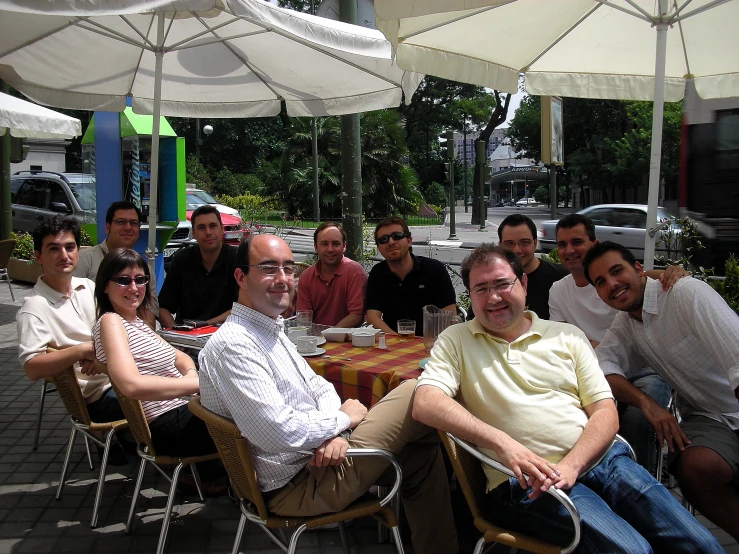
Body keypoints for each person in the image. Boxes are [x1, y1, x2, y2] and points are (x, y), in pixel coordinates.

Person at [412, 243, 722, 553]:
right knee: (632, 550)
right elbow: (425, 402)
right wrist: (502, 443)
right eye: (481, 289)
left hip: (606, 461)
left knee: (699, 544)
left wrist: (572, 466)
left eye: (502, 283)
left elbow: (605, 411)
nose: (493, 297)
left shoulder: (567, 336)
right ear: (470, 294)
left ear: (523, 283)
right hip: (530, 480)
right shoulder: (456, 339)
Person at [198, 235, 459, 554]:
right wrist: (342, 420)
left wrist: (338, 431)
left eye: (288, 268)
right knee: (419, 387)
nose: (283, 279)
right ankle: (492, 485)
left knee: (421, 453)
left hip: (316, 461)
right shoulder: (235, 346)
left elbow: (319, 386)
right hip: (299, 485)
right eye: (269, 268)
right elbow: (277, 431)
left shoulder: (269, 330)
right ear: (241, 276)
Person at [583, 240, 739, 542]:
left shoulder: (684, 293)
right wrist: (647, 404)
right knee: (693, 466)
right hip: (711, 416)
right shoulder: (627, 323)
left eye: (617, 272)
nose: (612, 284)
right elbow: (605, 365)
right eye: (601, 282)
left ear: (640, 269)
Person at [548, 214, 681, 474]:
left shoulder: (615, 282)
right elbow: (563, 340)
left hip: (644, 368)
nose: (569, 250)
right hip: (593, 373)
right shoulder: (559, 290)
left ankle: (641, 482)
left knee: (637, 419)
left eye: (577, 241)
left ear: (594, 244)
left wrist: (674, 274)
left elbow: (647, 277)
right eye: (562, 244)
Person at [17, 217, 127, 463]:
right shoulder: (34, 308)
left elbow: (118, 329)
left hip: (120, 377)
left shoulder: (88, 287)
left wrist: (96, 351)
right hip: (98, 396)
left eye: (69, 247)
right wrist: (81, 351)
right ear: (38, 256)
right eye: (53, 249)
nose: (63, 255)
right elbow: (32, 367)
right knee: (168, 403)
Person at [365, 216, 456, 335]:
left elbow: (449, 314)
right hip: (394, 342)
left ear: (409, 240)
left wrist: (430, 342)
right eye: (383, 239)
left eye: (397, 236)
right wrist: (397, 341)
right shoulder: (377, 273)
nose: (391, 242)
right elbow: (372, 318)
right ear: (378, 247)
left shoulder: (434, 270)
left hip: (433, 343)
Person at [74, 201, 158, 328]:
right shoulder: (85, 259)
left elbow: (149, 312)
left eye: (133, 223)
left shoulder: (145, 270)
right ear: (107, 227)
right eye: (121, 222)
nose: (128, 227)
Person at [158, 205, 237, 328]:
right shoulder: (181, 259)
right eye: (201, 228)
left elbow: (244, 309)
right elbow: (163, 308)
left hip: (226, 333)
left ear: (222, 229)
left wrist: (203, 326)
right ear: (193, 233)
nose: (208, 232)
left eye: (213, 226)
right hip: (187, 339)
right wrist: (176, 334)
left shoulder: (237, 259)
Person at [295, 222, 366, 327]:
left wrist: (329, 335)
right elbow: (303, 317)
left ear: (344, 246)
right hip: (316, 339)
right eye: (324, 244)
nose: (330, 249)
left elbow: (357, 315)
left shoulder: (354, 272)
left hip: (348, 339)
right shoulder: (306, 276)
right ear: (316, 247)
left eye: (335, 244)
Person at [498, 214, 568, 319]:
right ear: (500, 246)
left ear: (535, 243)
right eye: (509, 244)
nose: (517, 250)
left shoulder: (561, 278)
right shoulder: (493, 280)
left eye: (524, 242)